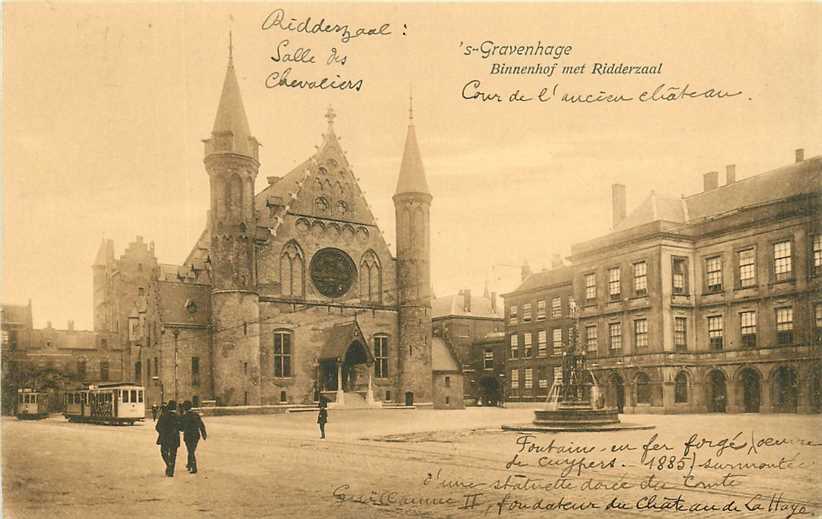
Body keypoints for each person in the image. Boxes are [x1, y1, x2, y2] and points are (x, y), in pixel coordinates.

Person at [155, 400, 181, 477]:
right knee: (173, 455)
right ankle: (171, 471)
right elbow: (181, 427)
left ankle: (168, 464)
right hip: (175, 438)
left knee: (164, 452)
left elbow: (157, 427)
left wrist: (163, 433)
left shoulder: (163, 416)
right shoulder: (177, 416)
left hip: (165, 438)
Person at [181, 400, 207, 474]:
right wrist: (204, 434)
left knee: (190, 451)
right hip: (196, 436)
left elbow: (182, 427)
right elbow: (201, 425)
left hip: (188, 436)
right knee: (191, 450)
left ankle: (194, 467)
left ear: (185, 408)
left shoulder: (184, 416)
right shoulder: (196, 415)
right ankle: (189, 464)